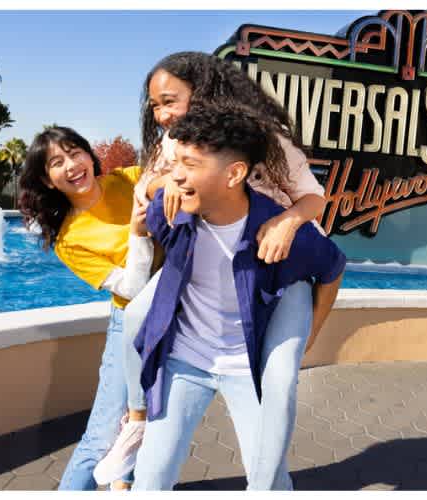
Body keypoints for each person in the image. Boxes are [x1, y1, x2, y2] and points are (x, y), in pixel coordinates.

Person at [92, 51, 330, 490]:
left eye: (170, 101)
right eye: (155, 107)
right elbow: (150, 187)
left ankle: (266, 479)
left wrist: (285, 220)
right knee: (137, 316)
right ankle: (137, 419)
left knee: (277, 380)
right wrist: (164, 183)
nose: (161, 115)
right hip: (210, 261)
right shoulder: (177, 144)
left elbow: (315, 201)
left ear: (203, 92)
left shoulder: (266, 139)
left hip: (277, 261)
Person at [130, 103, 345, 490]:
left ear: (234, 173)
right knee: (150, 477)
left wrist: (310, 334)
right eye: (175, 161)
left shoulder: (281, 232)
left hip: (247, 368)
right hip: (185, 359)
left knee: (268, 481)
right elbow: (155, 243)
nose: (175, 175)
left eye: (191, 164)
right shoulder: (172, 210)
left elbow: (333, 269)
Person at [17, 126, 155, 491]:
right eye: (57, 162)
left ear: (89, 156)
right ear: (47, 181)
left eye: (75, 152)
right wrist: (138, 233)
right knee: (103, 436)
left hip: (175, 312)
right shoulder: (69, 238)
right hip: (130, 323)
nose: (72, 165)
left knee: (149, 425)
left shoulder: (128, 180)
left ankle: (124, 484)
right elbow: (131, 288)